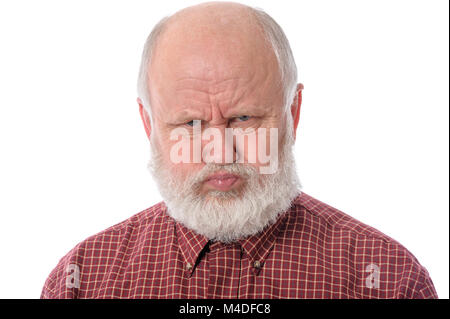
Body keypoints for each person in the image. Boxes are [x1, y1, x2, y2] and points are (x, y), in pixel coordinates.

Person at [41, 1, 437, 298]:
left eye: (243, 119)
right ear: (149, 124)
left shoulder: (390, 279)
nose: (219, 150)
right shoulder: (81, 279)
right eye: (191, 124)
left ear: (293, 113)